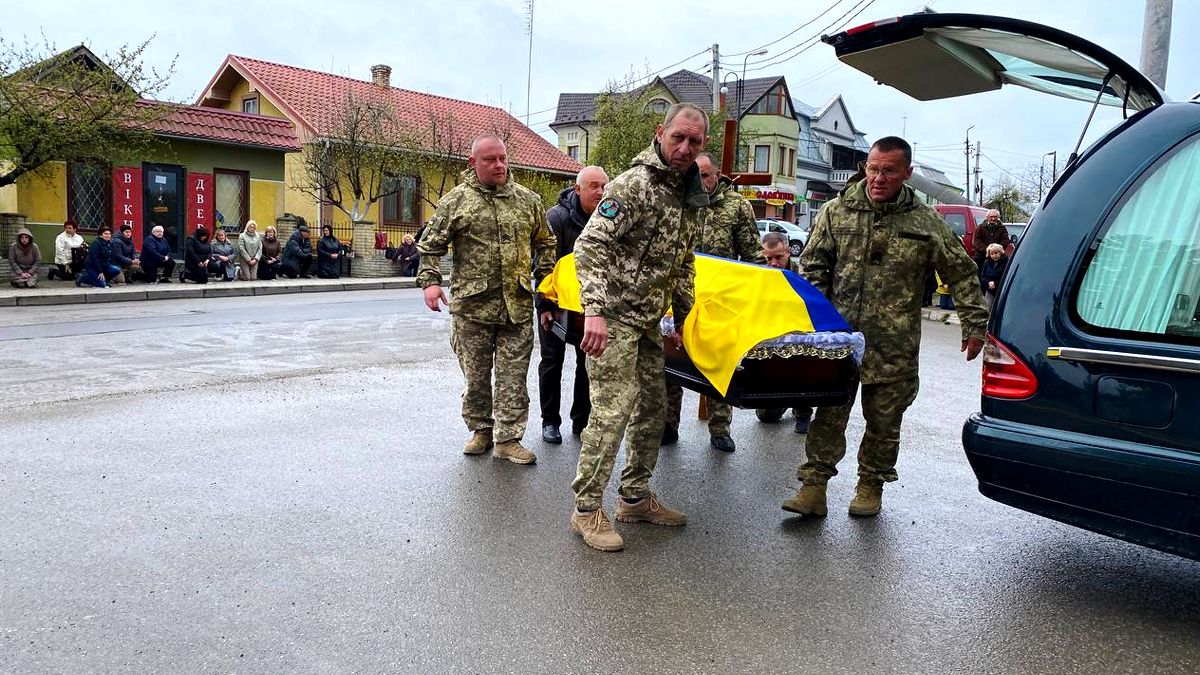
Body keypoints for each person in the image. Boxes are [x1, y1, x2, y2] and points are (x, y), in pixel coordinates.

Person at [782, 136, 988, 519]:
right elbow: (812, 271)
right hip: (839, 341)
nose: (878, 177)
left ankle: (870, 486)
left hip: (895, 345)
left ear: (907, 173)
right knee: (828, 416)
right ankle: (814, 487)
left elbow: (960, 271)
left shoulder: (926, 222)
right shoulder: (836, 211)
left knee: (884, 421)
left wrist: (974, 324)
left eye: (888, 171)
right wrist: (814, 324)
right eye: (873, 168)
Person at [569, 102, 709, 552]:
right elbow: (590, 244)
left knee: (655, 410)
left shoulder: (690, 195)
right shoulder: (634, 185)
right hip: (612, 318)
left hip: (650, 323)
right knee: (612, 411)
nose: (685, 148)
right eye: (678, 138)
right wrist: (593, 310)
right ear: (660, 133)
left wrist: (686, 319)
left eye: (695, 142)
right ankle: (586, 510)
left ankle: (634, 497)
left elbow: (684, 261)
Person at [418, 134, 556, 467]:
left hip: (517, 306)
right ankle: (481, 430)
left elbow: (546, 242)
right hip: (473, 309)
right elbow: (430, 246)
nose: (499, 165)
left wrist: (547, 280)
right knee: (477, 378)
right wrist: (430, 283)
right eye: (490, 160)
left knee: (513, 379)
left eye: (503, 158)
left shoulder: (528, 200)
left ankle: (508, 439)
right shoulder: (456, 201)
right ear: (473, 163)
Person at [663, 151, 766, 453]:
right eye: (696, 174)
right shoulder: (680, 201)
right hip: (680, 297)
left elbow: (753, 258)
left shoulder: (737, 206)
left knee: (720, 366)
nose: (701, 180)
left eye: (705, 175)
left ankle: (720, 429)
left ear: (717, 174)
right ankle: (668, 424)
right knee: (672, 361)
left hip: (721, 302)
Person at [535, 165, 608, 445]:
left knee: (586, 362)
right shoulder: (556, 217)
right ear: (578, 189)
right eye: (594, 186)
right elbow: (543, 266)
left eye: (604, 186)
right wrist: (544, 306)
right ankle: (550, 421)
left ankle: (582, 421)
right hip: (556, 303)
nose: (600, 192)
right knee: (552, 360)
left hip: (590, 306)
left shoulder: (608, 217)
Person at [755, 231, 815, 433]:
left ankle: (803, 411)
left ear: (788, 252)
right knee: (765, 417)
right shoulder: (760, 275)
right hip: (772, 339)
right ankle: (780, 401)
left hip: (800, 336)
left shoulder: (804, 274)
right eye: (768, 258)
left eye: (778, 257)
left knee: (802, 368)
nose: (773, 262)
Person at [979, 242, 1008, 307]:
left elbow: (1005, 277)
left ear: (1000, 252)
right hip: (990, 289)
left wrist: (995, 283)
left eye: (996, 253)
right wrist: (988, 283)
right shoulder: (987, 262)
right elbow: (983, 276)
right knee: (987, 307)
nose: (994, 256)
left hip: (1001, 289)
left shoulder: (1005, 262)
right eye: (992, 254)